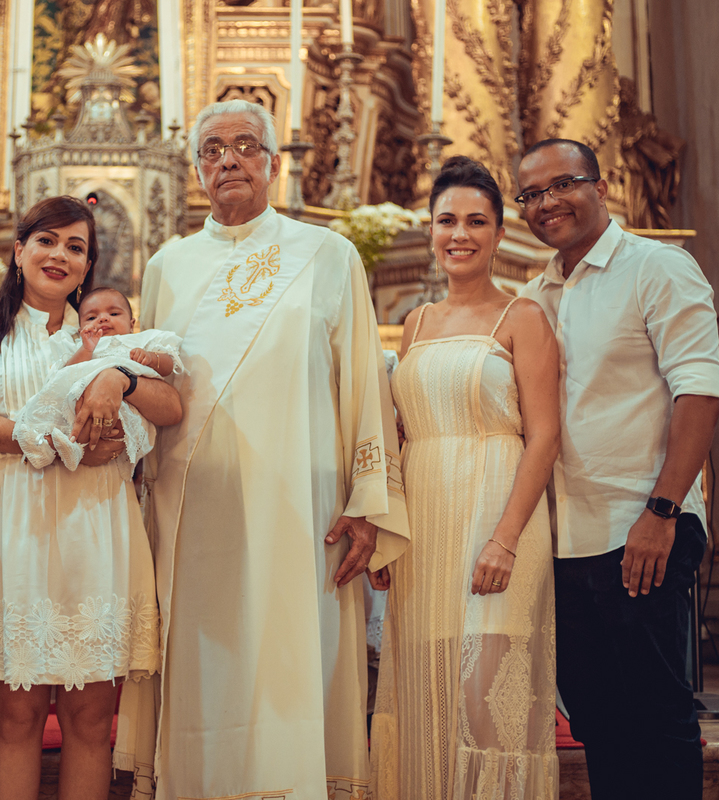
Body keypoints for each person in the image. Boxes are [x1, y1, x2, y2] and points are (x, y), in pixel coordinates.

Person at [123, 99, 410, 800]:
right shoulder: (168, 265)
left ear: (275, 164)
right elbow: (154, 390)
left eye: (246, 145)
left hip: (304, 507)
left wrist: (368, 501)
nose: (229, 159)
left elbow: (363, 383)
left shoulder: (329, 255)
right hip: (193, 510)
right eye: (213, 149)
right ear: (196, 170)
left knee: (291, 662)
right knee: (203, 672)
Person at [0, 196, 183, 800]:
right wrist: (43, 438)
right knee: (16, 720)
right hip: (16, 530)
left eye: (76, 247)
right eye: (48, 241)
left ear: (87, 266)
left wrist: (116, 375)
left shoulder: (104, 334)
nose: (61, 255)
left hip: (96, 527)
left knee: (91, 721)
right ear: (19, 251)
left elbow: (171, 408)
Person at [516, 138, 719, 800]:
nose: (548, 202)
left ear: (601, 186)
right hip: (565, 543)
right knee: (599, 723)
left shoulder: (658, 268)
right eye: (531, 194)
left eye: (563, 184)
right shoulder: (531, 297)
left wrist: (661, 514)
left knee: (656, 717)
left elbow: (699, 391)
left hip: (640, 530)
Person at [370, 156, 561, 799]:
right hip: (425, 527)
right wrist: (386, 531)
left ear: (499, 233)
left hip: (497, 519)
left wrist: (504, 538)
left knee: (486, 704)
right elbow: (398, 435)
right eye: (446, 219)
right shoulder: (417, 322)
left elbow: (545, 437)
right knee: (428, 691)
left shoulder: (524, 317)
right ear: (429, 230)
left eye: (476, 221)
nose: (460, 233)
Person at [15, 286, 182, 472]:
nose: (102, 318)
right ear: (81, 330)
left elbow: (168, 363)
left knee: (112, 419)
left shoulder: (141, 341)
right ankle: (54, 443)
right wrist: (86, 349)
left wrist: (151, 357)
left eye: (114, 313)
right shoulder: (82, 345)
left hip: (124, 406)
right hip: (82, 402)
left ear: (131, 323)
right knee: (76, 406)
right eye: (91, 318)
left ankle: (70, 446)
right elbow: (67, 372)